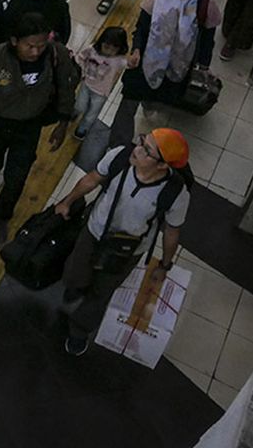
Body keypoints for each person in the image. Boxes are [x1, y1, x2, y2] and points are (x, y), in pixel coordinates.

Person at [54, 129, 191, 356]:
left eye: (146, 150)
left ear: (162, 166)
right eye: (141, 142)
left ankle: (79, 330)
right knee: (74, 271)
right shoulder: (120, 157)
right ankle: (76, 286)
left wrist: (164, 265)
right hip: (95, 231)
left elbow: (171, 232)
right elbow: (92, 179)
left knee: (102, 292)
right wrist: (67, 202)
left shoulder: (175, 193)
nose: (137, 150)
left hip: (127, 250)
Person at [0, 12, 79, 247]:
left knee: (17, 176)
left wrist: (63, 123)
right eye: (30, 46)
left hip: (29, 127)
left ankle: (2, 215)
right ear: (14, 41)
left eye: (41, 45)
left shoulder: (56, 54)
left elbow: (66, 87)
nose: (36, 52)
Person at [109, 0, 221, 146]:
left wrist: (204, 65)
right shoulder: (156, 1)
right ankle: (117, 145)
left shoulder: (205, 8)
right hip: (146, 63)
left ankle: (149, 108)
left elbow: (208, 40)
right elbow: (141, 30)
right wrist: (136, 50)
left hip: (177, 68)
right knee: (128, 103)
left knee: (158, 99)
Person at [73, 27, 134, 140]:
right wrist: (81, 70)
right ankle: (75, 113)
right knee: (79, 105)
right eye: (106, 46)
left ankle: (83, 128)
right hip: (86, 85)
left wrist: (133, 61)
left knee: (91, 115)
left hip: (101, 93)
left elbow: (129, 64)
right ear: (101, 42)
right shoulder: (91, 50)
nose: (109, 51)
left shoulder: (118, 60)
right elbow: (80, 57)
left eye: (114, 48)